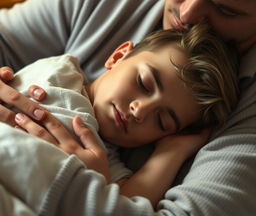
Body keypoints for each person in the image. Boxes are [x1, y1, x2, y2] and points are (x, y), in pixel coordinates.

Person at [0, 0, 255, 215]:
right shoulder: (61, 64)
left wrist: (83, 184)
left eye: (225, 10)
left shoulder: (100, 152)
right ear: (118, 55)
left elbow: (128, 204)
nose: (186, 14)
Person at [9, 24, 238, 208]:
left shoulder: (102, 159)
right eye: (144, 83)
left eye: (162, 121)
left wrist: (172, 152)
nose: (140, 110)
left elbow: (125, 206)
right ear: (118, 56)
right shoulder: (59, 71)